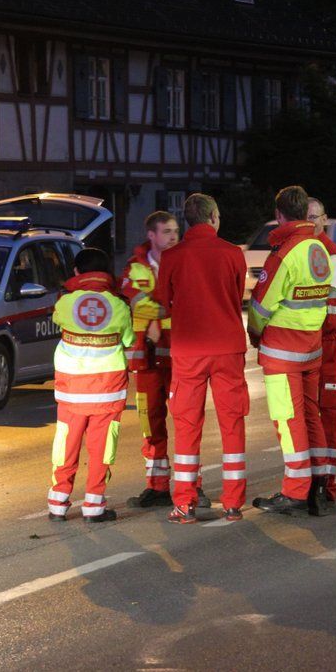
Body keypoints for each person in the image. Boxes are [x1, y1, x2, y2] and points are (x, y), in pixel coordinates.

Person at [248, 186, 336, 517]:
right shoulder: (318, 248)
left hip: (282, 351)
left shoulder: (284, 253)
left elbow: (261, 305)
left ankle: (295, 491)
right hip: (311, 348)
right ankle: (318, 482)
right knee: (310, 416)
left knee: (288, 420)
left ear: (279, 215)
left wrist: (254, 333)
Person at [157, 193, 249, 524]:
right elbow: (236, 296)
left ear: (188, 221)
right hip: (228, 348)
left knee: (186, 425)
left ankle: (185, 504)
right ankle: (233, 503)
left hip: (188, 351)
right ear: (212, 218)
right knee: (232, 423)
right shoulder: (233, 253)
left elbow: (163, 302)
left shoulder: (172, 256)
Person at [118, 211, 212, 509]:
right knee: (151, 423)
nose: (173, 237)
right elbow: (132, 300)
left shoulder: (187, 261)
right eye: (167, 231)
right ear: (152, 235)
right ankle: (157, 486)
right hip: (146, 360)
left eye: (175, 231)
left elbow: (190, 300)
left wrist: (155, 312)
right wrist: (162, 311)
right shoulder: (134, 267)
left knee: (187, 422)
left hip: (180, 355)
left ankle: (193, 486)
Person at [47, 248, 136, 523]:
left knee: (66, 443)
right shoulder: (119, 305)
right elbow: (129, 340)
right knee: (102, 447)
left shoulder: (65, 302)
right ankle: (94, 506)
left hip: (71, 388)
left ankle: (58, 504)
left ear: (77, 271)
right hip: (107, 390)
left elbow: (58, 322)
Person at [310, 198, 336, 506]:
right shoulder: (306, 252)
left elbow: (329, 308)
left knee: (328, 417)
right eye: (305, 216)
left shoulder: (331, 256)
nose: (310, 222)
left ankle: (326, 485)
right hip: (311, 344)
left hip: (328, 346)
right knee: (307, 418)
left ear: (325, 220)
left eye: (315, 217)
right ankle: (311, 482)